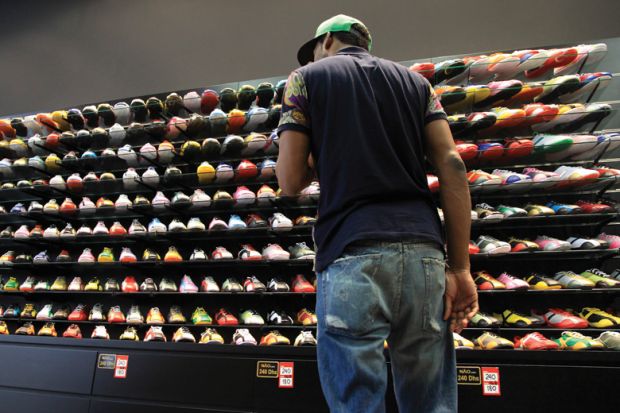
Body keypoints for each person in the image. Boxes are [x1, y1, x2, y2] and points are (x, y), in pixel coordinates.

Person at [275, 14, 478, 413]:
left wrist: (325, 152)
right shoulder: (418, 85)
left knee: (357, 405)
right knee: (431, 404)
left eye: (314, 49)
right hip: (424, 253)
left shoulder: (306, 78)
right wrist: (460, 269)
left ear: (327, 41)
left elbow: (289, 179)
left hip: (352, 251)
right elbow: (452, 165)